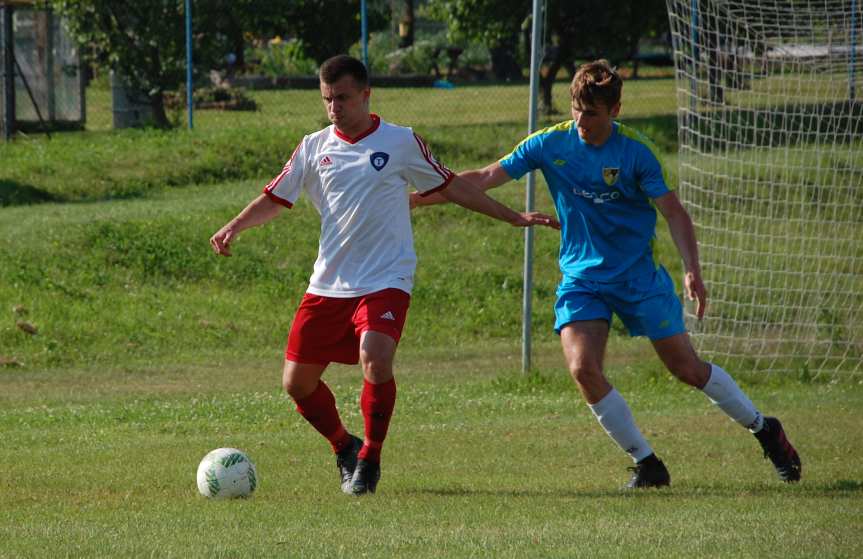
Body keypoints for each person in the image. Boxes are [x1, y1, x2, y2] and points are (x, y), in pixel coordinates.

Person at [412, 59, 801, 488]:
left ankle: (765, 428)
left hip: (638, 279)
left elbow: (673, 212)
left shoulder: (636, 152)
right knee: (582, 368)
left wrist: (692, 269)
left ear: (614, 111)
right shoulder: (549, 143)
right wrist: (416, 198)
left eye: (592, 112)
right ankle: (648, 463)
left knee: (687, 369)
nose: (581, 120)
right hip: (582, 280)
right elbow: (484, 176)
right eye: (577, 108)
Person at [209, 55, 558, 496]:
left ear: (366, 94)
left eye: (343, 97)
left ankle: (370, 459)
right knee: (296, 383)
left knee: (375, 356)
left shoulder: (400, 142)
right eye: (327, 99)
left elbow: (451, 185)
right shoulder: (313, 146)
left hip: (386, 277)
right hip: (329, 282)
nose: (334, 107)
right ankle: (345, 446)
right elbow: (276, 197)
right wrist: (234, 226)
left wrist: (511, 217)